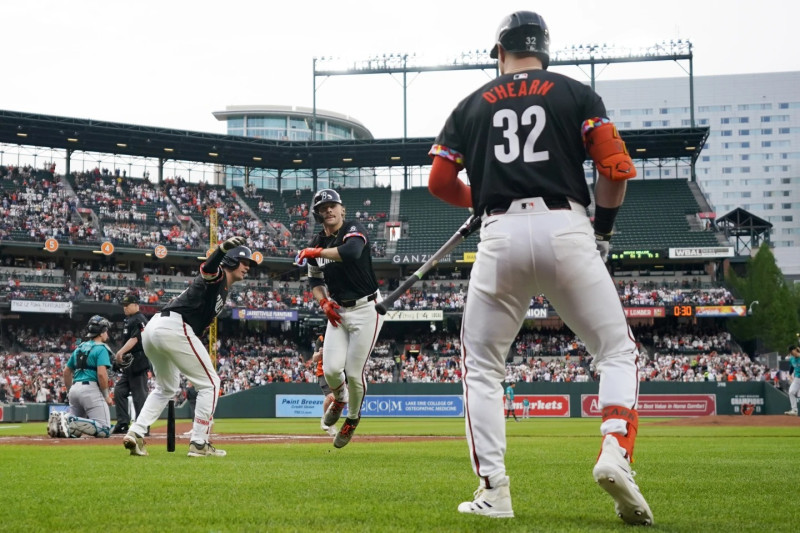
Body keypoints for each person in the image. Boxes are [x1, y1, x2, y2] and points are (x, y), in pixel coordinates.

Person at [427, 11, 653, 525]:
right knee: (615, 352)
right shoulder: (576, 93)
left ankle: (495, 492)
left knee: (482, 368)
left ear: (501, 52)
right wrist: (604, 231)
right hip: (568, 227)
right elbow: (615, 170)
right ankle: (615, 448)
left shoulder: (470, 104)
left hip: (499, 233)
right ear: (542, 50)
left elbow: (439, 182)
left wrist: (477, 200)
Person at [122, 235, 254, 457]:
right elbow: (208, 268)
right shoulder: (219, 277)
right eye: (244, 262)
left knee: (166, 387)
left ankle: (136, 432)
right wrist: (221, 249)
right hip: (173, 326)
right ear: (231, 261)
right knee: (211, 383)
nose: (248, 267)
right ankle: (199, 442)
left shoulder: (223, 287)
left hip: (155, 329)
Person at [294, 188, 386, 448]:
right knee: (333, 370)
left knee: (354, 373)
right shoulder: (317, 241)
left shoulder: (353, 227)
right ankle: (340, 398)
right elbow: (314, 279)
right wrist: (322, 301)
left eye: (333, 206)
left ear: (342, 209)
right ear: (318, 215)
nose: (329, 211)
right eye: (323, 208)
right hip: (338, 311)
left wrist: (317, 253)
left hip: (367, 309)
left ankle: (352, 419)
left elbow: (351, 252)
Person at [61, 315, 114, 438]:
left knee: (73, 430)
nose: (107, 333)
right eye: (106, 330)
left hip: (75, 389)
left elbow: (66, 372)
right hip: (91, 390)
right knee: (104, 429)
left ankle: (64, 420)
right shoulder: (101, 348)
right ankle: (69, 421)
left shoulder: (80, 347)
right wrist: (106, 396)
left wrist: (69, 391)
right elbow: (101, 374)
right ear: (101, 333)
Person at [111, 292, 150, 435]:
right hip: (129, 365)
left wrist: (120, 352)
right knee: (119, 391)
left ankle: (143, 426)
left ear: (135, 305)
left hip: (138, 362)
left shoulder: (139, 319)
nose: (125, 308)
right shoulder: (130, 319)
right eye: (123, 305)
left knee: (139, 396)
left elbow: (135, 339)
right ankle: (123, 423)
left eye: (127, 305)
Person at [311, 334, 337, 437]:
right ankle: (326, 420)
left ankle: (329, 423)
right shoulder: (321, 339)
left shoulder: (343, 337)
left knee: (340, 399)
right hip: (323, 372)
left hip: (337, 372)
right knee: (331, 396)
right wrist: (320, 353)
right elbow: (314, 358)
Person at [785, 344, 800, 415]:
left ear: (795, 350)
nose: (791, 353)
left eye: (791, 351)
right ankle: (794, 410)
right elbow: (792, 367)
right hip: (797, 378)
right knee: (791, 392)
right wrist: (790, 374)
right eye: (790, 352)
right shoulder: (792, 358)